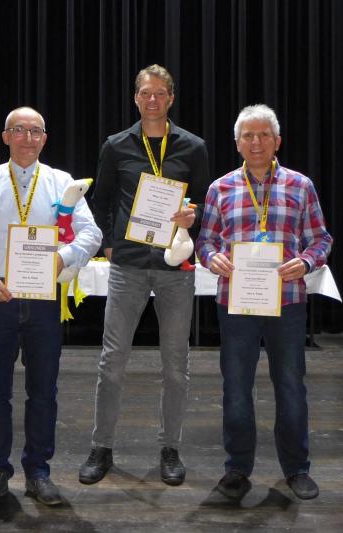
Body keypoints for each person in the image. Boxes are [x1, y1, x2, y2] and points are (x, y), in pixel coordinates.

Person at [0, 107, 101, 513]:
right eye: (18, 130)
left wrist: (62, 258)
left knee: (43, 392)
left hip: (43, 301)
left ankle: (38, 471)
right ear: (5, 137)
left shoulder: (62, 182)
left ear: (44, 138)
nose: (27, 138)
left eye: (35, 131)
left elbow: (92, 233)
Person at [79, 65, 211, 487]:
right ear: (136, 98)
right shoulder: (116, 145)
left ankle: (170, 448)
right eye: (145, 93)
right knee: (112, 361)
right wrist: (108, 245)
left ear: (171, 98)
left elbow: (204, 204)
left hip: (175, 268)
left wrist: (193, 215)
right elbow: (101, 201)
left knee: (175, 365)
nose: (152, 100)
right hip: (128, 265)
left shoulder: (193, 147)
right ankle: (101, 446)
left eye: (160, 93)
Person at [197, 104, 333, 501]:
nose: (256, 142)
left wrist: (306, 262)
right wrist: (211, 257)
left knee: (290, 386)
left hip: (287, 302)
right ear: (237, 143)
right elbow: (205, 240)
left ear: (277, 141)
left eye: (263, 135)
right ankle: (237, 468)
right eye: (248, 136)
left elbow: (321, 239)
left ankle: (296, 469)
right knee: (236, 388)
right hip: (235, 304)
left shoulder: (301, 186)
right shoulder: (219, 189)